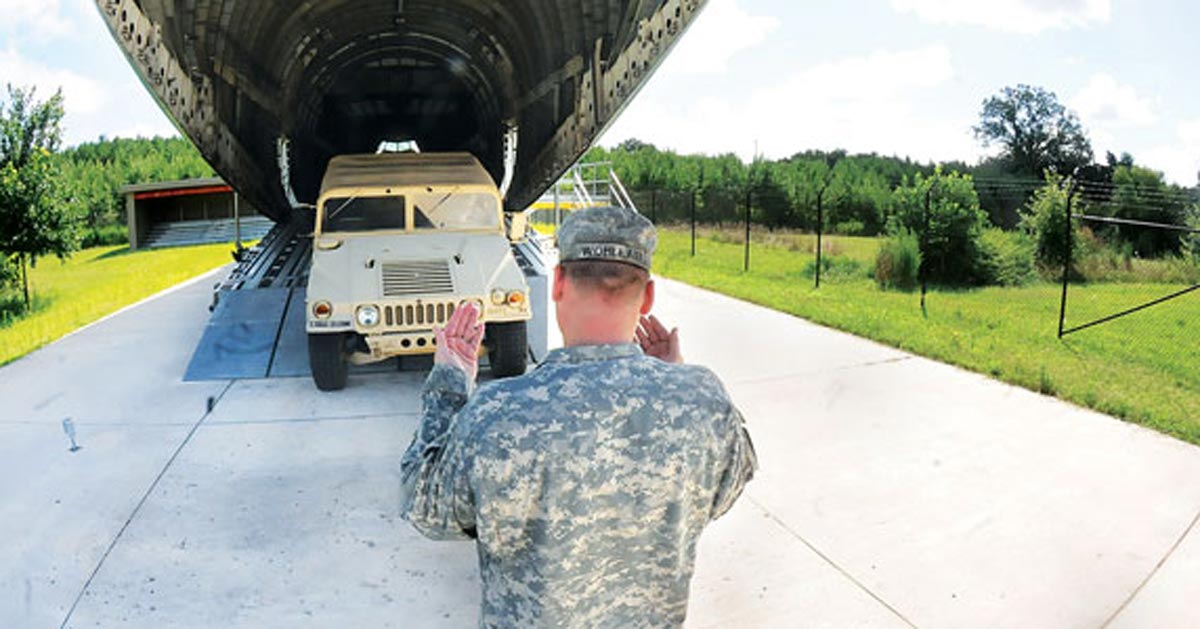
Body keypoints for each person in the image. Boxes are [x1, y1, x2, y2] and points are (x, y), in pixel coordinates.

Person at [399, 205, 757, 628]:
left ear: (558, 284)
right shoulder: (703, 400)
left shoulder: (498, 413)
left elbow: (425, 508)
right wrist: (674, 379)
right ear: (647, 296)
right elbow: (727, 485)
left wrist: (450, 384)